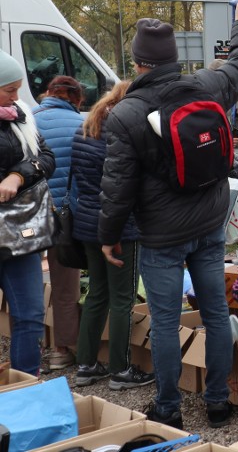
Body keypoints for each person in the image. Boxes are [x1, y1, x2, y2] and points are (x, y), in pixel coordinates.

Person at [98, 0, 238, 429]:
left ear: (137, 62)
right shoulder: (207, 85)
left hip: (162, 236)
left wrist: (109, 235)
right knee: (217, 315)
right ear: (171, 57)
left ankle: (169, 409)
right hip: (209, 222)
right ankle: (219, 402)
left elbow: (118, 187)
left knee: (166, 323)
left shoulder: (126, 113)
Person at [72, 81, 155, 390]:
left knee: (96, 293)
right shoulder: (126, 135)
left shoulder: (87, 128)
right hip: (121, 226)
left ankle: (86, 364)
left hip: (87, 222)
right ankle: (121, 369)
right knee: (122, 299)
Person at [0, 49, 55, 376]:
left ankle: (26, 386)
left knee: (32, 315)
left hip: (19, 233)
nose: (17, 97)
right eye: (10, 90)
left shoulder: (21, 115)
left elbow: (46, 157)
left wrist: (17, 175)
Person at [33, 75, 85, 371]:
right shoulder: (81, 125)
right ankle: (61, 350)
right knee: (66, 284)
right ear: (76, 98)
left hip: (29, 215)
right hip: (66, 215)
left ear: (48, 94)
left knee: (26, 283)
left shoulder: (28, 118)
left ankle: (30, 346)